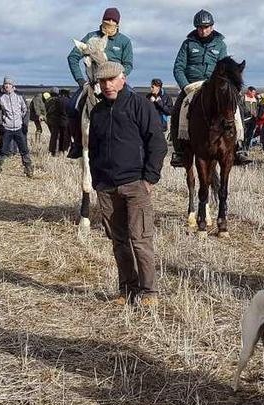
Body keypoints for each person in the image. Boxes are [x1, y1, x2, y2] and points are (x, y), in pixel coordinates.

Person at [88, 61, 166, 307]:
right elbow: (93, 149)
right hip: (107, 188)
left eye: (112, 79)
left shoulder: (139, 105)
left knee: (140, 240)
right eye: (103, 81)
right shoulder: (97, 112)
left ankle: (149, 292)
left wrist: (149, 178)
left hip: (135, 185)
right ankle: (127, 289)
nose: (108, 85)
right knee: (119, 241)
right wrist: (97, 180)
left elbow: (157, 143)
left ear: (123, 78)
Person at [66, 7, 134, 159]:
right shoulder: (91, 37)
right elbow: (72, 57)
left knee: (135, 103)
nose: (110, 22)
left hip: (116, 82)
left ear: (118, 23)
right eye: (107, 19)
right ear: (102, 20)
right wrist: (81, 81)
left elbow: (128, 64)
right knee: (71, 106)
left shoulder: (124, 41)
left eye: (113, 20)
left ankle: (134, 142)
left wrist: (120, 78)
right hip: (92, 82)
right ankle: (77, 144)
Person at [170, 9, 229, 166]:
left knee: (235, 110)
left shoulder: (220, 44)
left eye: (206, 27)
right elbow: (178, 68)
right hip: (191, 86)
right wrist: (185, 87)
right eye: (200, 27)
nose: (203, 30)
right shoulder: (188, 44)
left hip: (213, 87)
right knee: (176, 113)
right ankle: (180, 152)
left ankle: (239, 148)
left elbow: (224, 69)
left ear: (212, 26)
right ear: (196, 28)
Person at [0, 76, 33, 177]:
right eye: (5, 84)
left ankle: (28, 168)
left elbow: (25, 110)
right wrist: (0, 124)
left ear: (13, 86)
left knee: (24, 149)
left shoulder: (19, 96)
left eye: (9, 84)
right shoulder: (0, 97)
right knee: (3, 149)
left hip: (19, 128)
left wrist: (24, 124)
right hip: (7, 128)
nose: (7, 86)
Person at [241, 86, 259, 151]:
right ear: (249, 91)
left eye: (254, 92)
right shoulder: (243, 99)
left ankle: (247, 148)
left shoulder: (255, 99)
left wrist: (256, 113)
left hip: (253, 120)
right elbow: (240, 109)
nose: (254, 94)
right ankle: (242, 148)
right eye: (253, 92)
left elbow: (257, 109)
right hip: (245, 120)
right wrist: (248, 112)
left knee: (250, 135)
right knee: (244, 135)